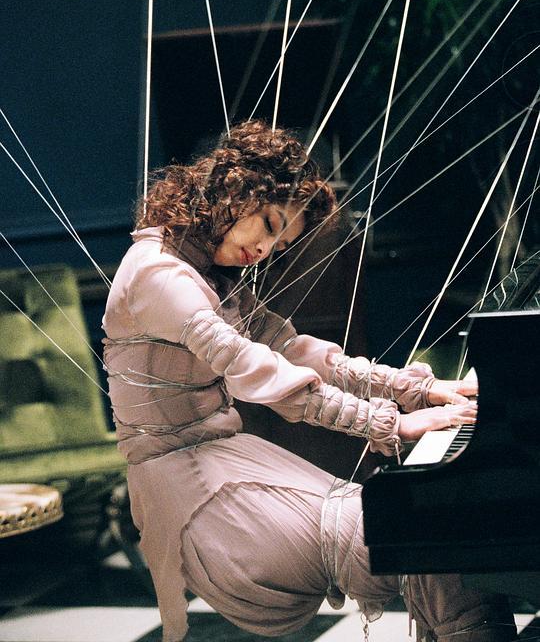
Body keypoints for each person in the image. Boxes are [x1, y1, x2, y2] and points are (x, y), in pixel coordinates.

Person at [102, 119, 515, 642]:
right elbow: (252, 366)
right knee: (418, 538)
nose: (265, 249)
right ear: (238, 192)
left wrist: (418, 390)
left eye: (279, 243)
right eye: (270, 224)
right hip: (193, 489)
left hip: (225, 457)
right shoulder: (159, 274)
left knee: (426, 537)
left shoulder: (206, 271)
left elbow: (295, 349)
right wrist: (388, 425)